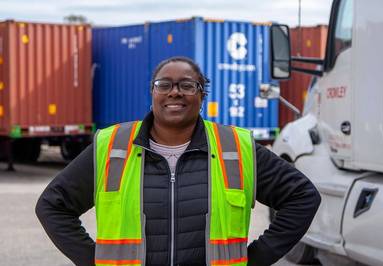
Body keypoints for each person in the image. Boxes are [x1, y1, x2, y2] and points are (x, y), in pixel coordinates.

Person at [36, 56, 321, 266]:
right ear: (153, 93)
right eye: (165, 84)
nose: (175, 92)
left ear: (202, 95)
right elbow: (52, 206)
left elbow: (303, 197)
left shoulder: (235, 147)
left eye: (187, 85)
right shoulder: (111, 146)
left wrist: (256, 258)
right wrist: (93, 260)